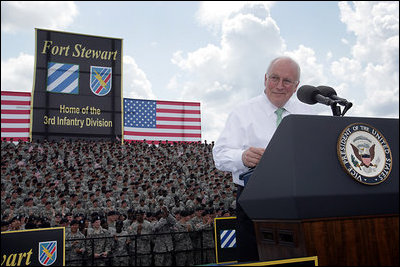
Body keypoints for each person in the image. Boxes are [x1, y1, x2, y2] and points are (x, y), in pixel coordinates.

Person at [213, 56, 314, 262]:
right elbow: (220, 155)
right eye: (274, 78)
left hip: (298, 200)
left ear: (296, 87)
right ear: (265, 78)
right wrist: (242, 157)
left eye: (287, 81)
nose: (279, 86)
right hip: (254, 201)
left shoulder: (308, 113)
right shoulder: (242, 112)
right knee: (254, 258)